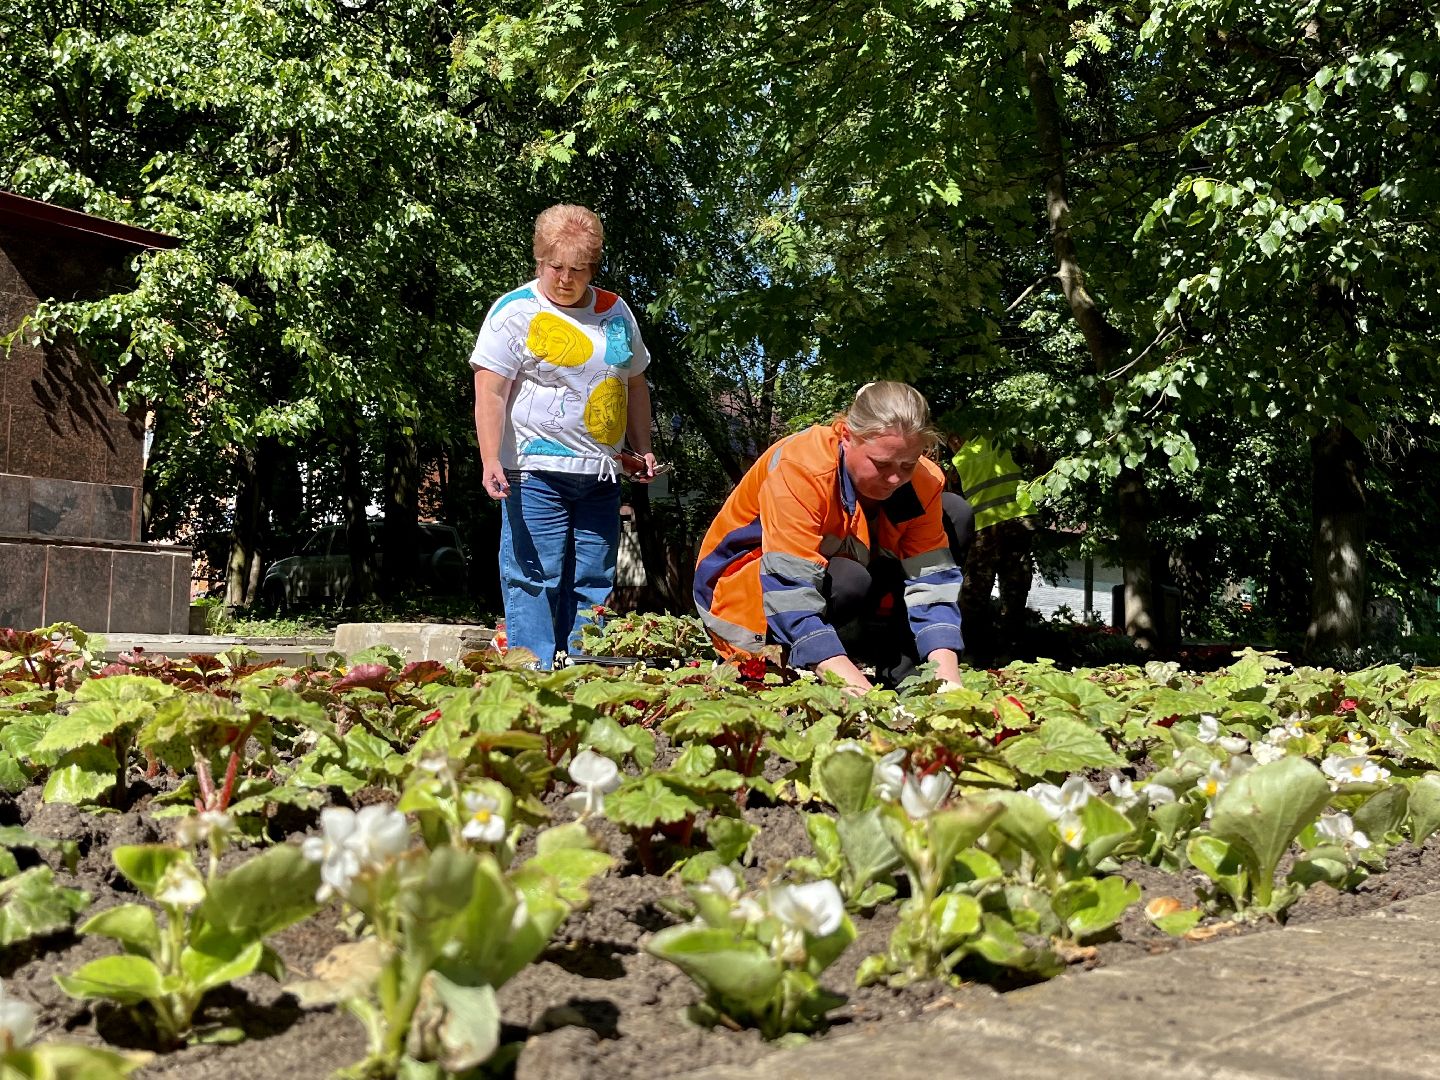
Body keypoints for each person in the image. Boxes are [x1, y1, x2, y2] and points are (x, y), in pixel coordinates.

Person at [470, 204, 657, 668]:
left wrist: (642, 448)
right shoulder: (515, 311)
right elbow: (490, 390)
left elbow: (633, 385)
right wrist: (490, 458)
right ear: (540, 261)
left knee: (594, 575)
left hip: (601, 473)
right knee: (537, 573)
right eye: (556, 267)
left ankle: (583, 667)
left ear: (592, 268)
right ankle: (532, 672)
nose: (565, 278)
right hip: (534, 472)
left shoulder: (615, 312)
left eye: (578, 269)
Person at [694, 381, 965, 693]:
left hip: (835, 576)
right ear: (847, 436)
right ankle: (804, 661)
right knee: (849, 579)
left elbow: (932, 581)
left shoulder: (921, 481)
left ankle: (905, 671)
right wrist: (860, 694)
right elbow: (790, 590)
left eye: (907, 464)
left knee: (955, 512)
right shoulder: (802, 467)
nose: (894, 479)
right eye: (881, 464)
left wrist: (947, 681)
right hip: (744, 596)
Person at [949, 432, 1038, 656]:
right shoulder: (1003, 439)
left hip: (985, 527)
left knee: (974, 594)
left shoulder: (958, 461)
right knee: (1015, 591)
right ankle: (1011, 651)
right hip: (1019, 522)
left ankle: (968, 652)